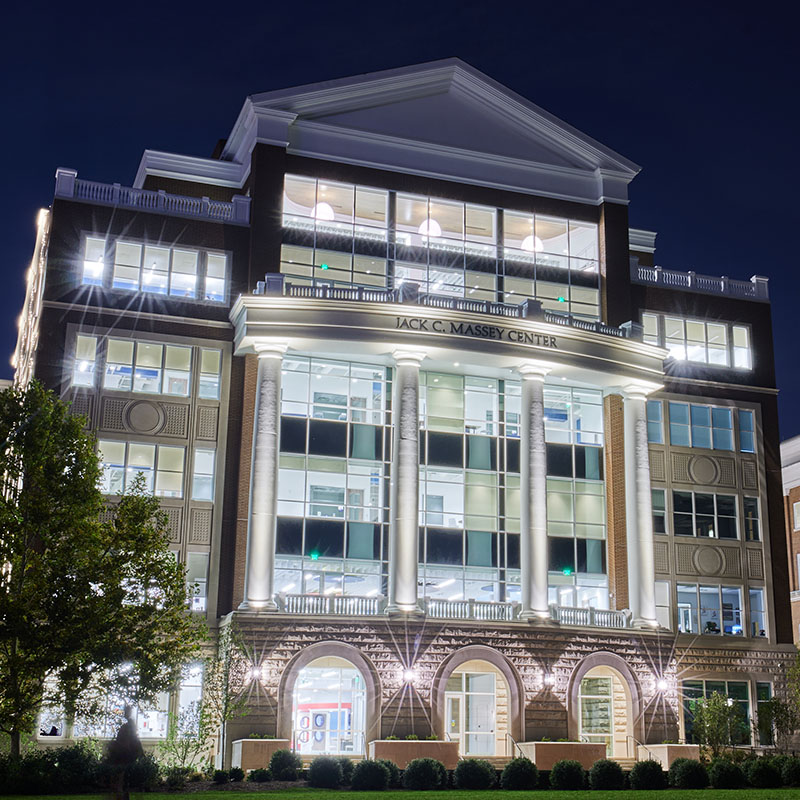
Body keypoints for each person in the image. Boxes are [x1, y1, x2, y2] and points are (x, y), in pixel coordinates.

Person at [106, 706, 143, 800]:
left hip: (125, 754)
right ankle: (122, 794)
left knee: (122, 777)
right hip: (125, 754)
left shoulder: (128, 726)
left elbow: (131, 739)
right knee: (122, 777)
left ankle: (121, 794)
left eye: (127, 712)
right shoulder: (128, 726)